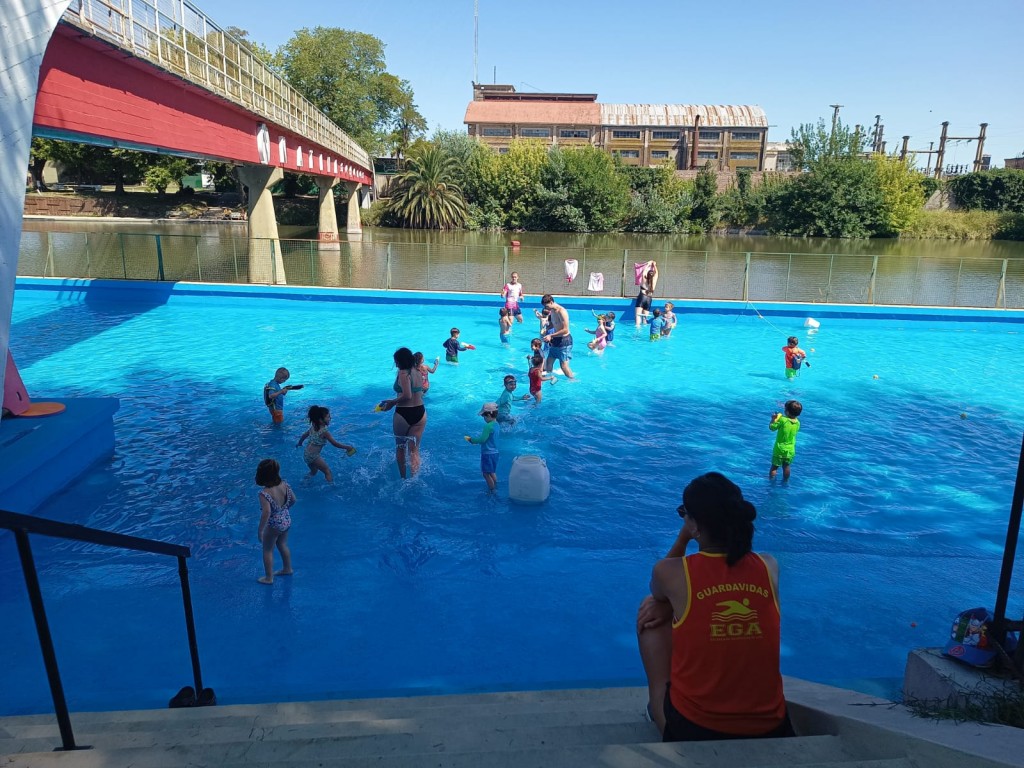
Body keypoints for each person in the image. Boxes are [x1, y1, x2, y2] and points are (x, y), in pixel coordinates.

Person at [636, 472, 793, 742]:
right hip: (771, 725)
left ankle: (657, 706)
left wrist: (684, 539)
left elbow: (658, 590)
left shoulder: (671, 573)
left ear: (695, 524)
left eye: (684, 513)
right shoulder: (769, 566)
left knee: (651, 608)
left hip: (694, 730)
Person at [377, 347, 428, 479]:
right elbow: (420, 391)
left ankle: (403, 478)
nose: (396, 364)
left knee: (400, 447)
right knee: (414, 450)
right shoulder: (418, 371)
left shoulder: (403, 373)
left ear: (400, 361)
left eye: (396, 361)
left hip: (404, 413)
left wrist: (392, 403)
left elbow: (407, 395)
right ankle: (414, 479)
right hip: (420, 412)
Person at [255, 458, 296, 585]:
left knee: (267, 550)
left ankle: (268, 578)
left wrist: (260, 530)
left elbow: (266, 513)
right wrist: (283, 511)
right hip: (286, 520)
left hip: (274, 525)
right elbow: (294, 500)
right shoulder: (285, 485)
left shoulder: (264, 493)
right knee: (283, 545)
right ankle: (287, 568)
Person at [296, 405, 356, 483]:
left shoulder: (313, 426)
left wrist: (299, 443)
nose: (330, 418)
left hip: (306, 454)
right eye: (328, 417)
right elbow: (335, 443)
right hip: (313, 456)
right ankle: (331, 487)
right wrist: (347, 447)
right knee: (327, 471)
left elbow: (304, 435)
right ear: (321, 420)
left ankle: (304, 483)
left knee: (314, 472)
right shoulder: (324, 432)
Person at [464, 401, 500, 491]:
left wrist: (471, 440)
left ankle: (492, 491)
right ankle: (496, 485)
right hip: (495, 452)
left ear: (488, 415)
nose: (483, 418)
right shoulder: (497, 424)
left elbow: (482, 440)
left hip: (488, 453)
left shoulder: (488, 426)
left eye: (483, 416)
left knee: (486, 474)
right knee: (492, 472)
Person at [541, 294, 575, 379]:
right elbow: (554, 323)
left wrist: (550, 335)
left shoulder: (561, 311)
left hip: (564, 341)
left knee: (563, 366)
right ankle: (549, 379)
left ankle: (573, 381)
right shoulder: (552, 310)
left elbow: (565, 329)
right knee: (549, 362)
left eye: (547, 306)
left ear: (551, 302)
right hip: (555, 340)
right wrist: (547, 328)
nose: (546, 308)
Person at [769, 400, 802, 481]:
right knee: (786, 466)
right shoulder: (798, 422)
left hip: (779, 449)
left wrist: (773, 419)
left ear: (787, 411)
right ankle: (785, 481)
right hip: (790, 450)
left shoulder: (783, 420)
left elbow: (772, 428)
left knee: (774, 467)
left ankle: (771, 481)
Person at [635, 260, 659, 327]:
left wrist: (648, 264)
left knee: (638, 316)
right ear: (653, 275)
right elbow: (657, 273)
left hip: (642, 297)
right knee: (645, 318)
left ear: (647, 275)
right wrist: (654, 265)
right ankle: (645, 327)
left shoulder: (644, 279)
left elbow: (643, 272)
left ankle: (637, 330)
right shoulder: (654, 281)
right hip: (649, 298)